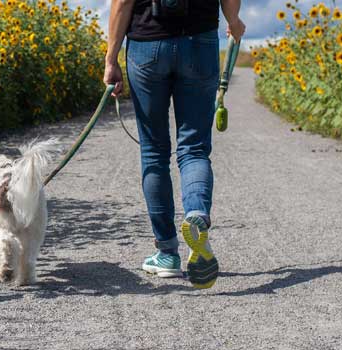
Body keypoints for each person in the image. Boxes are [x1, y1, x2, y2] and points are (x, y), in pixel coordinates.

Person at [104, 0, 245, 289]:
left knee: (154, 152)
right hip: (200, 42)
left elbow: (122, 2)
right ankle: (196, 214)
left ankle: (167, 253)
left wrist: (111, 58)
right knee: (194, 148)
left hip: (146, 44)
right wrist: (234, 20)